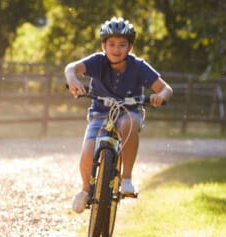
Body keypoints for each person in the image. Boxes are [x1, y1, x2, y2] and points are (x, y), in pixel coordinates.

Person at [65, 16, 173, 213]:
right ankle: (85, 190)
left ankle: (127, 178)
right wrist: (72, 79)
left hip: (129, 112)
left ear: (130, 48)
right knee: (88, 152)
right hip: (100, 114)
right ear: (103, 46)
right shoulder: (98, 61)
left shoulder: (138, 66)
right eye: (112, 44)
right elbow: (71, 68)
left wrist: (160, 96)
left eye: (122, 45)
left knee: (129, 123)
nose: (116, 49)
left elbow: (166, 88)